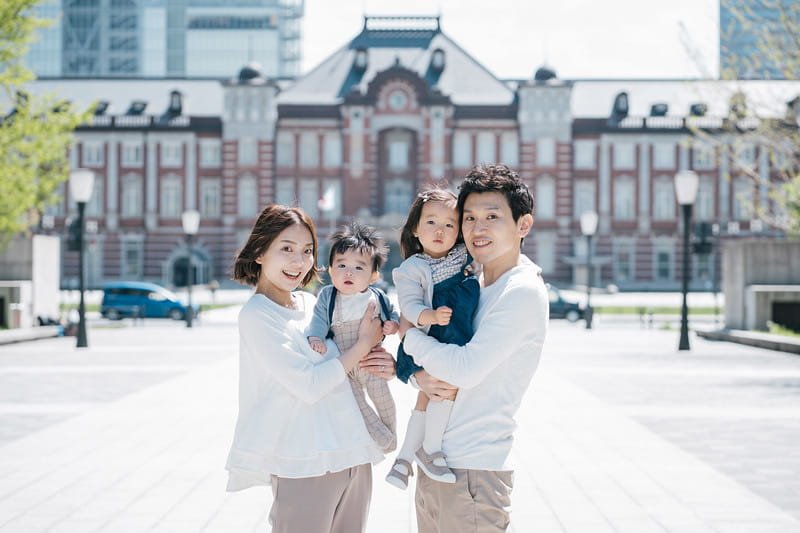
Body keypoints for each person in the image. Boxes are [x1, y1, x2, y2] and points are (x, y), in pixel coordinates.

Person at [225, 204, 396, 533]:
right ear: (260, 251)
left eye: (307, 251)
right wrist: (362, 344)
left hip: (353, 454)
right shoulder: (257, 315)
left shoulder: (310, 304)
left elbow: (347, 361)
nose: (298, 261)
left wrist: (379, 360)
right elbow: (309, 385)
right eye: (286, 248)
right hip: (304, 461)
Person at [398, 164, 549, 533]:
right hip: (437, 463)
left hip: (475, 472)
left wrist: (408, 335)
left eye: (492, 217)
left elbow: (464, 370)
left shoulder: (522, 290)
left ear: (523, 225)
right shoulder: (473, 284)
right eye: (469, 218)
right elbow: (441, 363)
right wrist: (419, 378)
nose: (477, 229)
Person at [385, 188, 480, 490]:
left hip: (454, 337)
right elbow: (410, 306)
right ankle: (431, 449)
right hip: (433, 336)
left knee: (427, 398)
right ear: (415, 229)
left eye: (450, 224)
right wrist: (430, 316)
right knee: (442, 392)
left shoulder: (465, 257)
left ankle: (402, 460)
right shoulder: (412, 268)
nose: (440, 230)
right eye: (431, 222)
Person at [307, 222, 400, 453]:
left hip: (371, 363)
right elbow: (318, 320)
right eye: (341, 265)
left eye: (359, 268)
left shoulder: (377, 296)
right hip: (345, 364)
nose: (349, 272)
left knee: (383, 398)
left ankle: (391, 432)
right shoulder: (328, 296)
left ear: (373, 276)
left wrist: (392, 325)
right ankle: (383, 440)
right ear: (330, 270)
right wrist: (316, 337)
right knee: (358, 405)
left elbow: (393, 313)